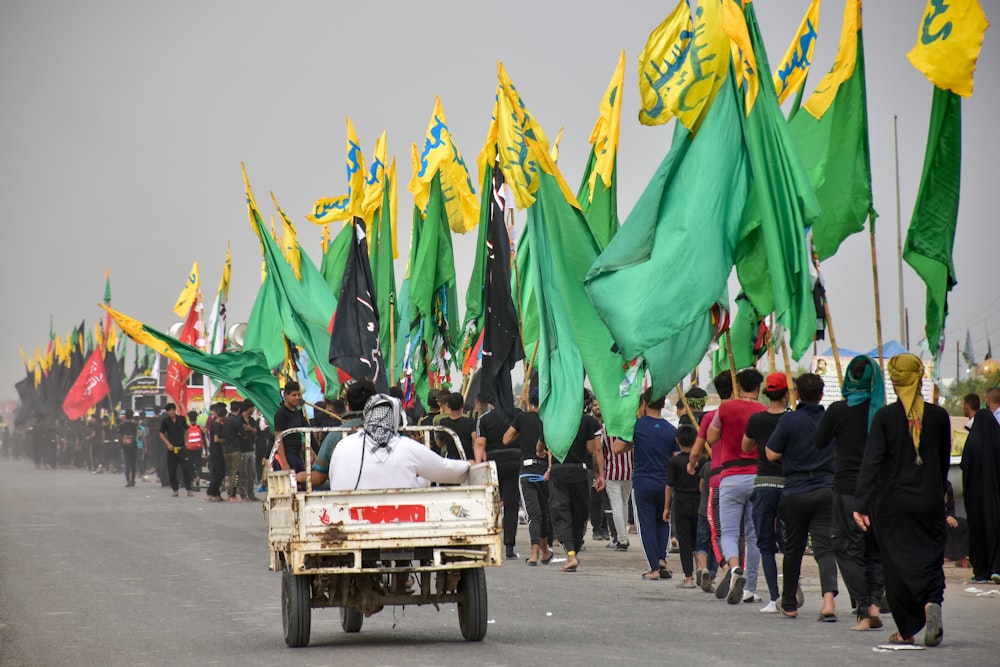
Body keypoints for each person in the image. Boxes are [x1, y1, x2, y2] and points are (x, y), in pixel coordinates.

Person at [854, 353, 951, 647]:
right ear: (920, 377)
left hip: (894, 505)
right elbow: (942, 461)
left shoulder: (885, 417)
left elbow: (872, 463)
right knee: (930, 560)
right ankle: (931, 602)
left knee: (897, 567)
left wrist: (860, 503)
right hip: (931, 501)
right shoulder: (940, 417)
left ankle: (906, 630)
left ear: (894, 381)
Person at [814, 355, 886, 630]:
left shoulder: (838, 410)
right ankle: (876, 603)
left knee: (846, 548)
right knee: (874, 549)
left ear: (849, 378)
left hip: (847, 490)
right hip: (878, 490)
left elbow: (819, 441)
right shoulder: (883, 412)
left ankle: (865, 609)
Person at [766, 373, 838, 621]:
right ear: (821, 394)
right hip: (826, 488)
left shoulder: (789, 420)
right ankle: (828, 600)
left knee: (793, 549)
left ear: (797, 394)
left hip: (796, 490)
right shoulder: (831, 419)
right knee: (824, 548)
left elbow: (771, 454)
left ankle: (789, 603)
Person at [704, 368, 765, 604]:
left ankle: (733, 567)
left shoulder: (725, 409)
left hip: (730, 476)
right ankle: (750, 587)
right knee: (754, 535)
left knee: (729, 533)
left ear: (738, 386)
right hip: (757, 476)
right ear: (758, 388)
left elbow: (711, 437)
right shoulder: (763, 411)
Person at [327, 394, 470, 490]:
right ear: (396, 418)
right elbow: (445, 470)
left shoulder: (343, 445)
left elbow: (333, 477)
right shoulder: (407, 446)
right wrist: (468, 465)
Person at [615, 389, 676, 581]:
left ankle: (653, 568)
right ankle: (662, 559)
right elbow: (676, 458)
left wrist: (632, 443)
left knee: (646, 525)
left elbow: (617, 448)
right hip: (665, 483)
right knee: (663, 521)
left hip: (643, 482)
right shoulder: (671, 430)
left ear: (644, 404)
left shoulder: (637, 427)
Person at [742, 372, 790, 613]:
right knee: (792, 541)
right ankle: (792, 589)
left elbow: (745, 446)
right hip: (790, 484)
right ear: (786, 393)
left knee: (765, 543)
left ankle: (774, 597)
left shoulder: (756, 420)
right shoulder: (793, 419)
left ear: (766, 393)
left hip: (764, 484)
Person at [546, 389, 604, 573]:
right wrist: (600, 474)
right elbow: (594, 449)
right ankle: (573, 553)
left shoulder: (555, 419)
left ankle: (571, 553)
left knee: (561, 511)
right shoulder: (589, 421)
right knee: (580, 513)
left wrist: (549, 467)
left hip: (558, 472)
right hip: (581, 471)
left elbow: (548, 447)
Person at [504, 388, 552, 565]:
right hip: (545, 472)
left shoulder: (522, 418)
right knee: (544, 512)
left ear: (531, 401)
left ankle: (534, 554)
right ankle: (545, 551)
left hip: (527, 472)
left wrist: (521, 434)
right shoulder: (550, 418)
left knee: (533, 514)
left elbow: (506, 439)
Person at [300, 380, 376, 489]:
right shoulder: (389, 433)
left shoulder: (335, 436)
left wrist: (298, 477)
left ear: (348, 406)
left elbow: (319, 478)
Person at [960, 390, 1000, 584]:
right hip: (994, 496)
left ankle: (980, 570)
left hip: (975, 497)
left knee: (977, 530)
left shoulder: (972, 443)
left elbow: (964, 467)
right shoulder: (996, 441)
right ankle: (996, 567)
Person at [474, 393, 519, 560]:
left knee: (491, 504)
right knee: (512, 505)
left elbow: (480, 443)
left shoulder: (484, 419)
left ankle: (489, 541)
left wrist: (479, 465)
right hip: (515, 461)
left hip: (493, 464)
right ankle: (509, 546)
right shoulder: (518, 414)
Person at [665, 424, 703, 587]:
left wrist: (666, 507)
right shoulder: (702, 460)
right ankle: (702, 568)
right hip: (699, 501)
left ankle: (688, 577)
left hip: (681, 501)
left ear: (677, 441)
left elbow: (669, 485)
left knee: (685, 540)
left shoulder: (674, 461)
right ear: (696, 440)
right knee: (699, 539)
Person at [274, 381, 309, 474]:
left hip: (297, 455)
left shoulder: (297, 412)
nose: (297, 398)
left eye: (298, 395)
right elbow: (278, 439)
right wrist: (284, 463)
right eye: (294, 395)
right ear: (286, 395)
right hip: (288, 456)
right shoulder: (281, 414)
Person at [159, 403, 193, 497]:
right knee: (172, 470)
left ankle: (189, 489)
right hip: (171, 449)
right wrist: (168, 444)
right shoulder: (165, 421)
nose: (171, 412)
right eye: (169, 411)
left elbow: (187, 429)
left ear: (175, 410)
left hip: (181, 448)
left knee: (186, 469)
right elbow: (161, 433)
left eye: (173, 410)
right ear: (167, 412)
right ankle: (175, 490)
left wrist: (186, 441)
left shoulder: (181, 419)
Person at [438, 392, 477, 461]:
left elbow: (440, 443)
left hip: (452, 461)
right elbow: (475, 442)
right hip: (468, 460)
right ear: (463, 405)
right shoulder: (471, 422)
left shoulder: (443, 422)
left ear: (448, 405)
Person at [204, 403, 227, 502]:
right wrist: (225, 440)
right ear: (224, 415)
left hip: (212, 451)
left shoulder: (212, 424)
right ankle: (210, 492)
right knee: (218, 473)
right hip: (217, 452)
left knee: (217, 473)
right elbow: (216, 439)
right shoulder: (218, 426)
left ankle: (216, 494)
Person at [118, 409, 140, 487]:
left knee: (126, 464)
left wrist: (121, 444)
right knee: (133, 464)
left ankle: (128, 481)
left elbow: (119, 436)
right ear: (132, 416)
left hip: (125, 447)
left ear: (125, 416)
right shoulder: (135, 425)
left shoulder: (121, 425)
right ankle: (132, 480)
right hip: (134, 446)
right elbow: (139, 434)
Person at [185, 410, 206, 491]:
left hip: (189, 449)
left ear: (189, 419)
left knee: (190, 466)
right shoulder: (200, 428)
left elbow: (185, 440)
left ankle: (192, 482)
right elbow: (203, 439)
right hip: (198, 449)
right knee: (198, 465)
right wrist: (206, 450)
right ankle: (197, 481)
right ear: (196, 418)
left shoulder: (187, 428)